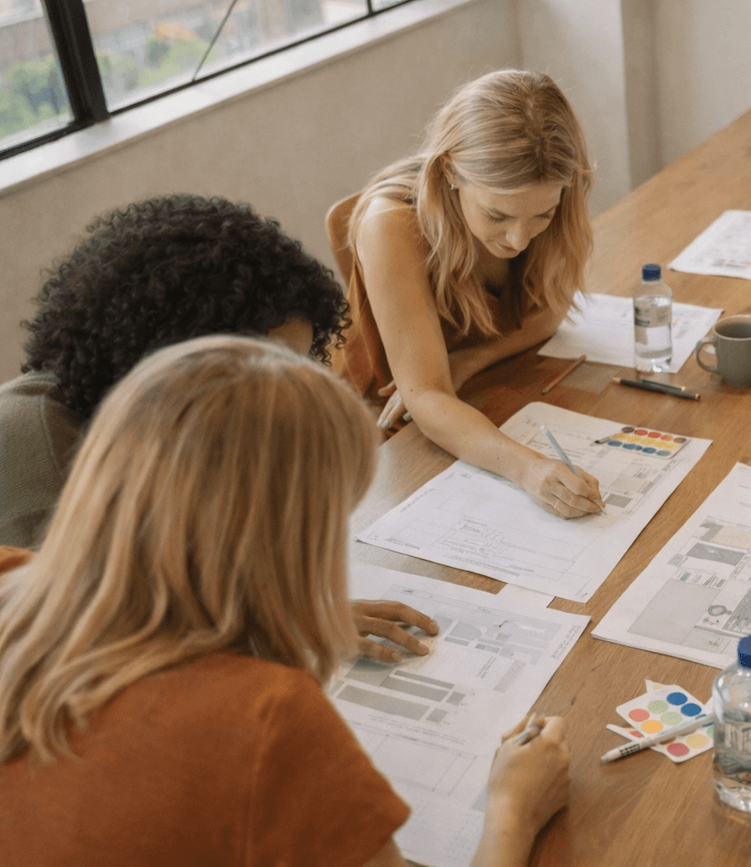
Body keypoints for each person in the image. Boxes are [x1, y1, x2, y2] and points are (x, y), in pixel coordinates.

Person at [0, 335, 571, 867]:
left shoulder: (12, 573)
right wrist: (513, 811)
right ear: (297, 543)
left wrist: (271, 619)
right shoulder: (268, 718)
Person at [0, 193, 436, 662]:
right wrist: (278, 628)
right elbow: (83, 642)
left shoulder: (171, 421)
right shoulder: (33, 444)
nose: (289, 392)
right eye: (270, 367)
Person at [336, 68, 604, 519]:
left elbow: (553, 308)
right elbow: (423, 396)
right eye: (497, 215)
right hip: (379, 435)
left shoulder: (551, 200)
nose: (519, 240)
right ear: (449, 172)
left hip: (477, 397)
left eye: (542, 216)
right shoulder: (393, 225)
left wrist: (469, 361)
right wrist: (528, 470)